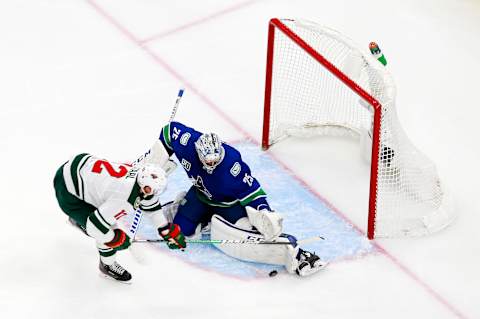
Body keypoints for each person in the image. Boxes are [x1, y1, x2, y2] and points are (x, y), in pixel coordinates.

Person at [144, 121, 327, 276]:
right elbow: (169, 131)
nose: (211, 164)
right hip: (200, 196)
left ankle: (296, 254)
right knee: (182, 230)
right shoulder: (187, 143)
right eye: (207, 161)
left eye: (214, 160)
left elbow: (254, 192)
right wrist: (154, 165)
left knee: (248, 232)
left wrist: (265, 212)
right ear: (199, 153)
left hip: (228, 205)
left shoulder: (232, 167)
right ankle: (194, 212)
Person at [53, 154, 186, 282]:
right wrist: (117, 239)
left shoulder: (140, 174)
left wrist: (165, 229)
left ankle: (81, 219)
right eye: (148, 190)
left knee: (104, 220)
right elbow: (95, 226)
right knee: (105, 229)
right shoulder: (124, 198)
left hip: (81, 166)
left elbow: (150, 203)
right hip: (67, 190)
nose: (150, 194)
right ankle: (107, 265)